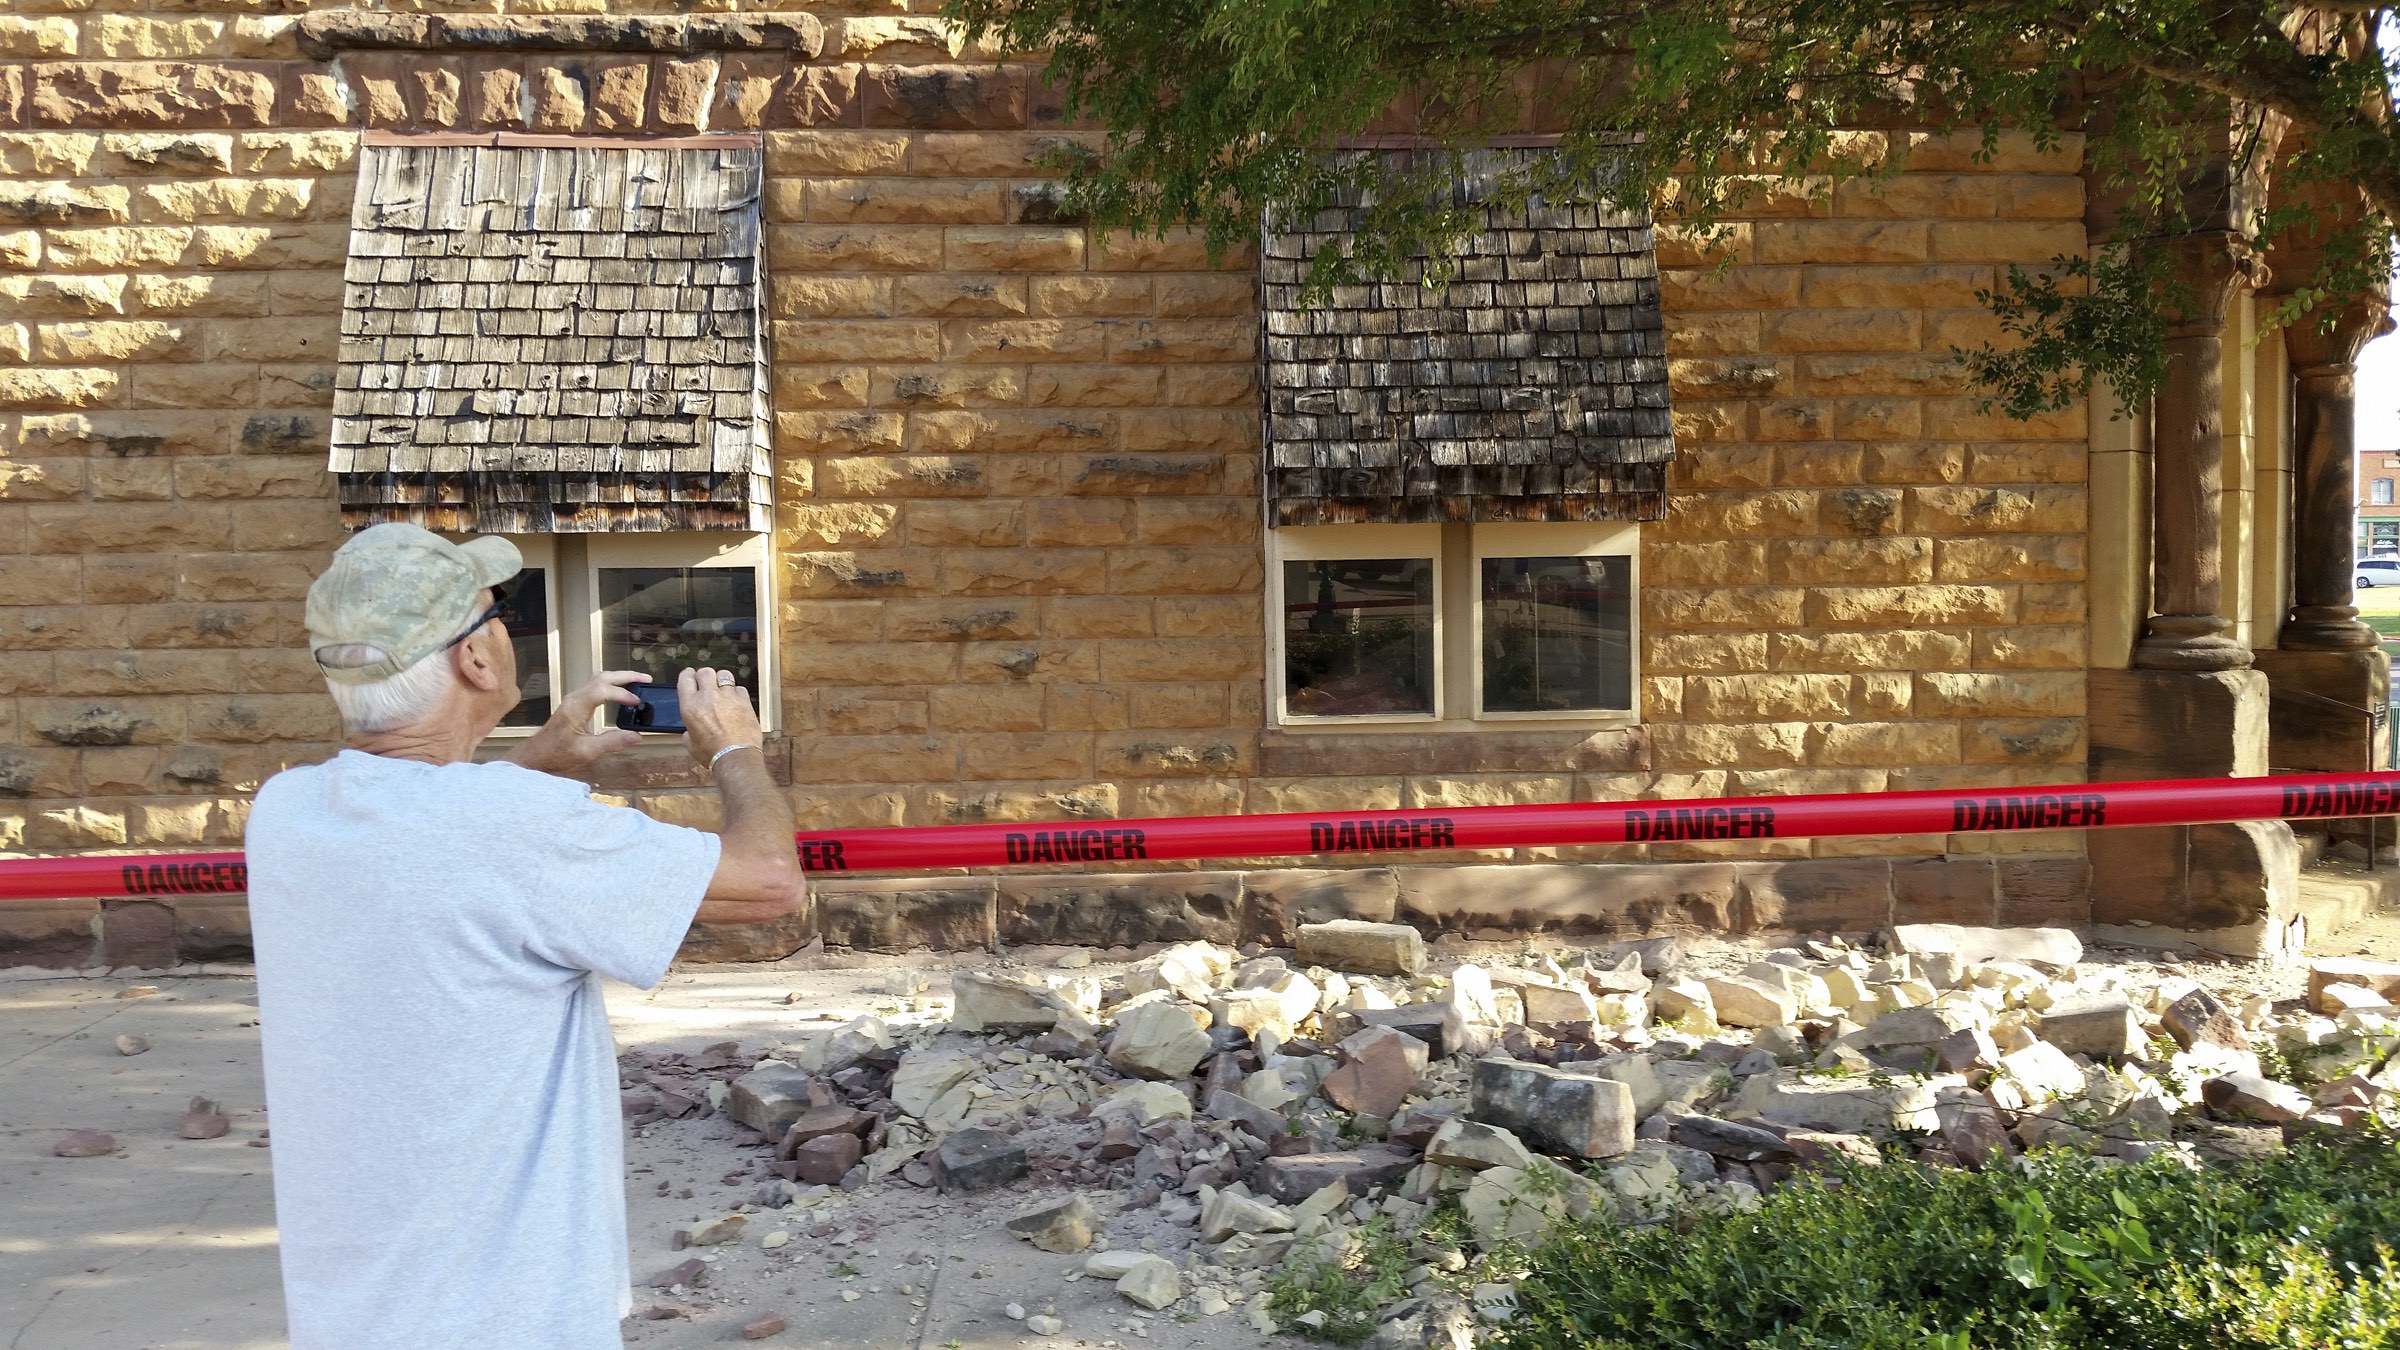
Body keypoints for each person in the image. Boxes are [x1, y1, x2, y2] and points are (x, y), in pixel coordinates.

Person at [245, 523, 805, 1350]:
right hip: (508, 1319)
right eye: (495, 610)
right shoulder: (509, 826)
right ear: (476, 660)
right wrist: (734, 751)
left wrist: (539, 760)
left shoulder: (285, 812)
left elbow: (429, 828)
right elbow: (769, 881)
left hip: (351, 1317)